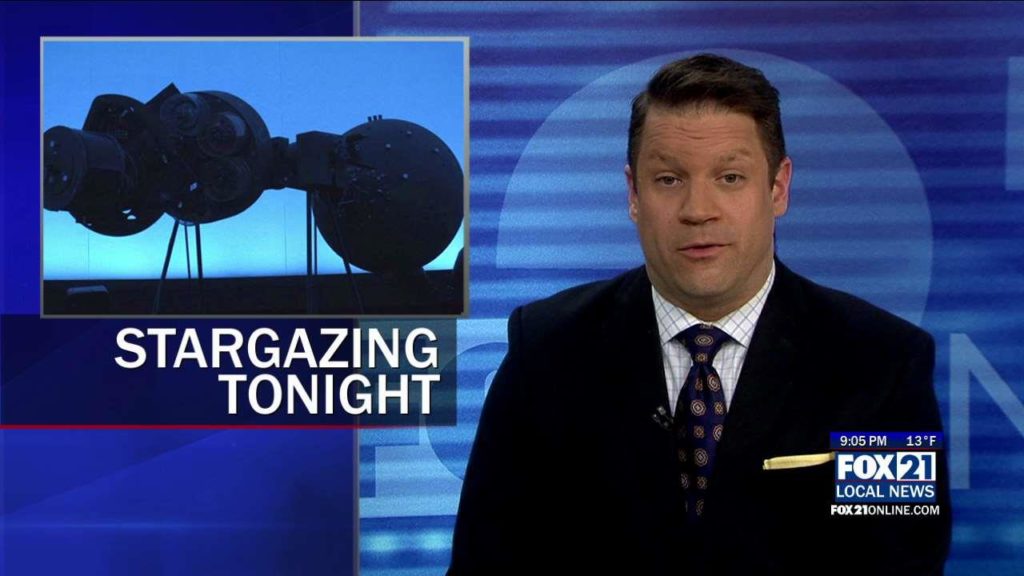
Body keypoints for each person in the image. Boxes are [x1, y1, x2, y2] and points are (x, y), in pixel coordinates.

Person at [448, 54, 951, 575]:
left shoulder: (880, 364)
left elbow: (900, 566)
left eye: (730, 177)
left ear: (778, 188)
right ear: (633, 194)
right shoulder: (548, 351)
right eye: (669, 180)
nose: (698, 210)